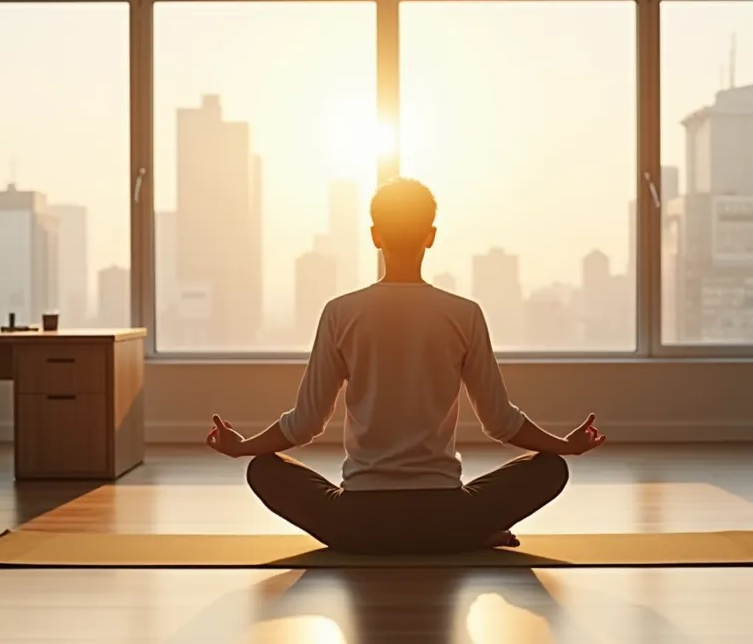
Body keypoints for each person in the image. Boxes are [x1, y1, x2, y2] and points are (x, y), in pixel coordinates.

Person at [205, 177, 605, 554]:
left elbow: (305, 423)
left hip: (356, 524)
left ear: (375, 236)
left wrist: (242, 448)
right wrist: (565, 447)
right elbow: (500, 421)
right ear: (430, 237)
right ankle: (463, 535)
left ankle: (421, 537)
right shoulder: (463, 314)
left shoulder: (341, 313)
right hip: (445, 515)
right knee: (550, 469)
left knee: (264, 470)